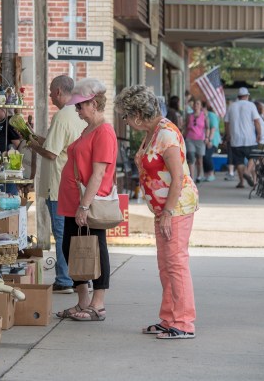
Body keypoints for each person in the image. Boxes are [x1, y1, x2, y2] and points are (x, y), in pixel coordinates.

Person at [114, 85, 199, 339]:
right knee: (165, 265)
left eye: (126, 116)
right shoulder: (152, 132)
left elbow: (178, 177)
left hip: (176, 208)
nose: (126, 122)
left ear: (138, 113)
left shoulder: (166, 134)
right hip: (163, 210)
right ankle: (169, 317)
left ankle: (184, 323)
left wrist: (168, 212)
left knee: (176, 264)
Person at [56, 78, 117, 321]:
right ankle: (82, 301)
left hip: (88, 201)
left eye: (80, 106)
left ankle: (98, 304)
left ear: (93, 103)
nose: (77, 111)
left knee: (95, 249)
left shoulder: (104, 131)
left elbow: (99, 173)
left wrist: (84, 206)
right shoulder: (88, 129)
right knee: (71, 249)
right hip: (72, 200)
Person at [28, 75, 86, 294]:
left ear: (60, 91)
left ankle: (64, 278)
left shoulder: (62, 116)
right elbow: (57, 144)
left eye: (52, 92)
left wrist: (31, 144)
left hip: (59, 184)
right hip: (75, 184)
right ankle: (78, 276)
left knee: (61, 233)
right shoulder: (79, 114)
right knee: (74, 233)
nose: (51, 96)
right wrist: (34, 137)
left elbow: (51, 153)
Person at [224, 87, 261, 188]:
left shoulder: (231, 106)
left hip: (235, 139)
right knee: (253, 157)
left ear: (238, 96)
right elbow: (257, 121)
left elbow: (226, 123)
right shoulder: (251, 105)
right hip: (250, 138)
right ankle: (247, 172)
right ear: (247, 96)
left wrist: (228, 135)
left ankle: (241, 182)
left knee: (239, 161)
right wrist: (259, 134)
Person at [0, 107, 21, 195]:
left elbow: (18, 144)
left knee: (8, 195)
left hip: (8, 168)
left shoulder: (9, 122)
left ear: (2, 108)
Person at [184, 99, 209, 182]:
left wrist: (207, 138)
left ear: (201, 106)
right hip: (190, 139)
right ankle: (191, 177)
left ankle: (199, 176)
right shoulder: (189, 116)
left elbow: (207, 128)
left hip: (200, 139)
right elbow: (186, 127)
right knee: (191, 158)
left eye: (198, 104)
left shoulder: (204, 116)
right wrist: (183, 137)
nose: (196, 106)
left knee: (199, 159)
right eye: (194, 104)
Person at [202, 103, 221, 181]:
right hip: (204, 139)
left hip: (213, 140)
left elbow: (213, 128)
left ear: (205, 108)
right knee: (203, 156)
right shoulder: (201, 116)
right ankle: (206, 174)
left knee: (207, 156)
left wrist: (209, 140)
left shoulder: (211, 115)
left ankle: (211, 173)